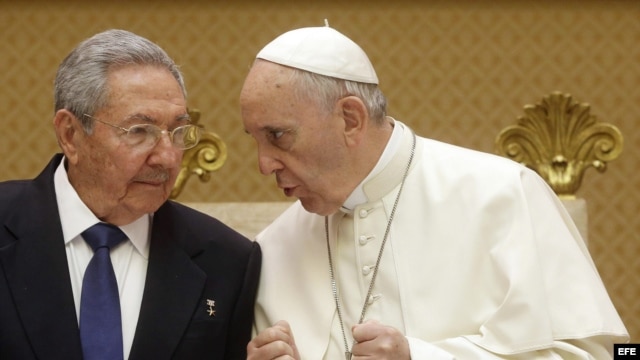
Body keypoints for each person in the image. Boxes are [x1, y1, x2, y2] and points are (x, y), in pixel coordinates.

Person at [240, 24, 629, 359]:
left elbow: (591, 354)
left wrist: (419, 355)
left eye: (278, 136)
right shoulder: (274, 246)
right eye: (255, 140)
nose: (263, 164)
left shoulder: (503, 195)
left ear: (350, 118)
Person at [0, 29, 261, 360]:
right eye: (139, 131)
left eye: (178, 131)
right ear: (70, 134)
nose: (167, 158)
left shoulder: (227, 260)